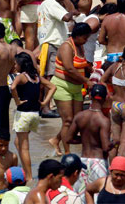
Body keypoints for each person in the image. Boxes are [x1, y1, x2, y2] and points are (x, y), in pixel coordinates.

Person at [49, 23, 93, 156]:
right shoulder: (66, 46)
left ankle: (56, 139)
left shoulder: (80, 46)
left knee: (76, 120)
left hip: (77, 88)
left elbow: (82, 64)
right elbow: (69, 68)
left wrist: (91, 70)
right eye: (85, 38)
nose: (86, 41)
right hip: (63, 86)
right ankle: (67, 153)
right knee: (67, 120)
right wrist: (86, 80)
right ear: (78, 36)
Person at [11, 52, 55, 182]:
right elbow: (53, 87)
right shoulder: (36, 77)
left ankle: (29, 176)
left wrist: (17, 101)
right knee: (17, 142)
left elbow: (12, 87)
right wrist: (44, 102)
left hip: (23, 114)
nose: (14, 65)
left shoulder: (21, 77)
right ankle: (25, 169)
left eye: (15, 63)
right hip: (35, 114)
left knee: (24, 147)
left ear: (21, 64)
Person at [64, 83, 111, 193]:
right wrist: (114, 143)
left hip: (83, 161)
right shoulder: (103, 120)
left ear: (90, 96)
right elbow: (105, 147)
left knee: (81, 195)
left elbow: (68, 139)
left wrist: (84, 140)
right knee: (99, 196)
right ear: (106, 98)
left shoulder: (80, 116)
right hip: (98, 162)